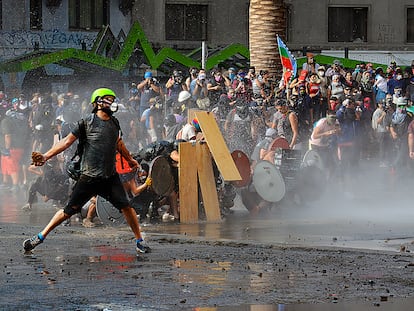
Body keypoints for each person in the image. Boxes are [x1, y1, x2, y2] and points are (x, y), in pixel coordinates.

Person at [23, 88, 151, 254]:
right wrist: (46, 156)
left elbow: (118, 143)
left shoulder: (114, 123)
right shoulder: (86, 122)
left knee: (127, 207)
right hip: (88, 178)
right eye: (107, 99)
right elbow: (66, 142)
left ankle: (140, 241)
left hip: (109, 177)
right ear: (97, 102)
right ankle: (39, 237)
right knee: (68, 211)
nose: (111, 103)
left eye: (112, 99)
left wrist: (129, 159)